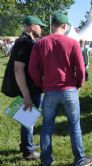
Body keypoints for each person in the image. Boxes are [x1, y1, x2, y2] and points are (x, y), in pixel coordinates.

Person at [29, 12, 92, 166]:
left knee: (46, 127)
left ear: (52, 25)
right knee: (74, 126)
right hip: (69, 89)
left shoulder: (40, 43)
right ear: (65, 26)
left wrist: (41, 84)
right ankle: (80, 159)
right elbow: (81, 69)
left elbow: (32, 69)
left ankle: (46, 160)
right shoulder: (72, 43)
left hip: (50, 91)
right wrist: (79, 84)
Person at [1, 15, 46, 160]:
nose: (42, 29)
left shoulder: (27, 41)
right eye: (40, 26)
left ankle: (27, 143)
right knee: (29, 119)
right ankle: (28, 151)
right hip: (29, 89)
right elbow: (18, 69)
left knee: (28, 119)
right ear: (33, 26)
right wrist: (26, 95)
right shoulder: (23, 42)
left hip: (31, 88)